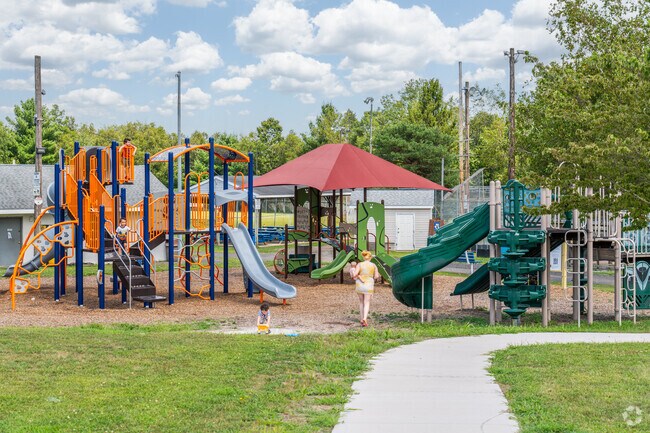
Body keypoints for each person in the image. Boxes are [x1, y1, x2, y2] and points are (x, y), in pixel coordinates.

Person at [351, 250, 380, 327]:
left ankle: (361, 318)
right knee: (366, 302)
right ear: (370, 257)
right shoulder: (373, 265)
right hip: (369, 284)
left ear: (363, 257)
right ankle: (365, 318)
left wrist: (354, 271)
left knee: (361, 302)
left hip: (360, 284)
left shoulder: (359, 264)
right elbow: (376, 276)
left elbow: (355, 275)